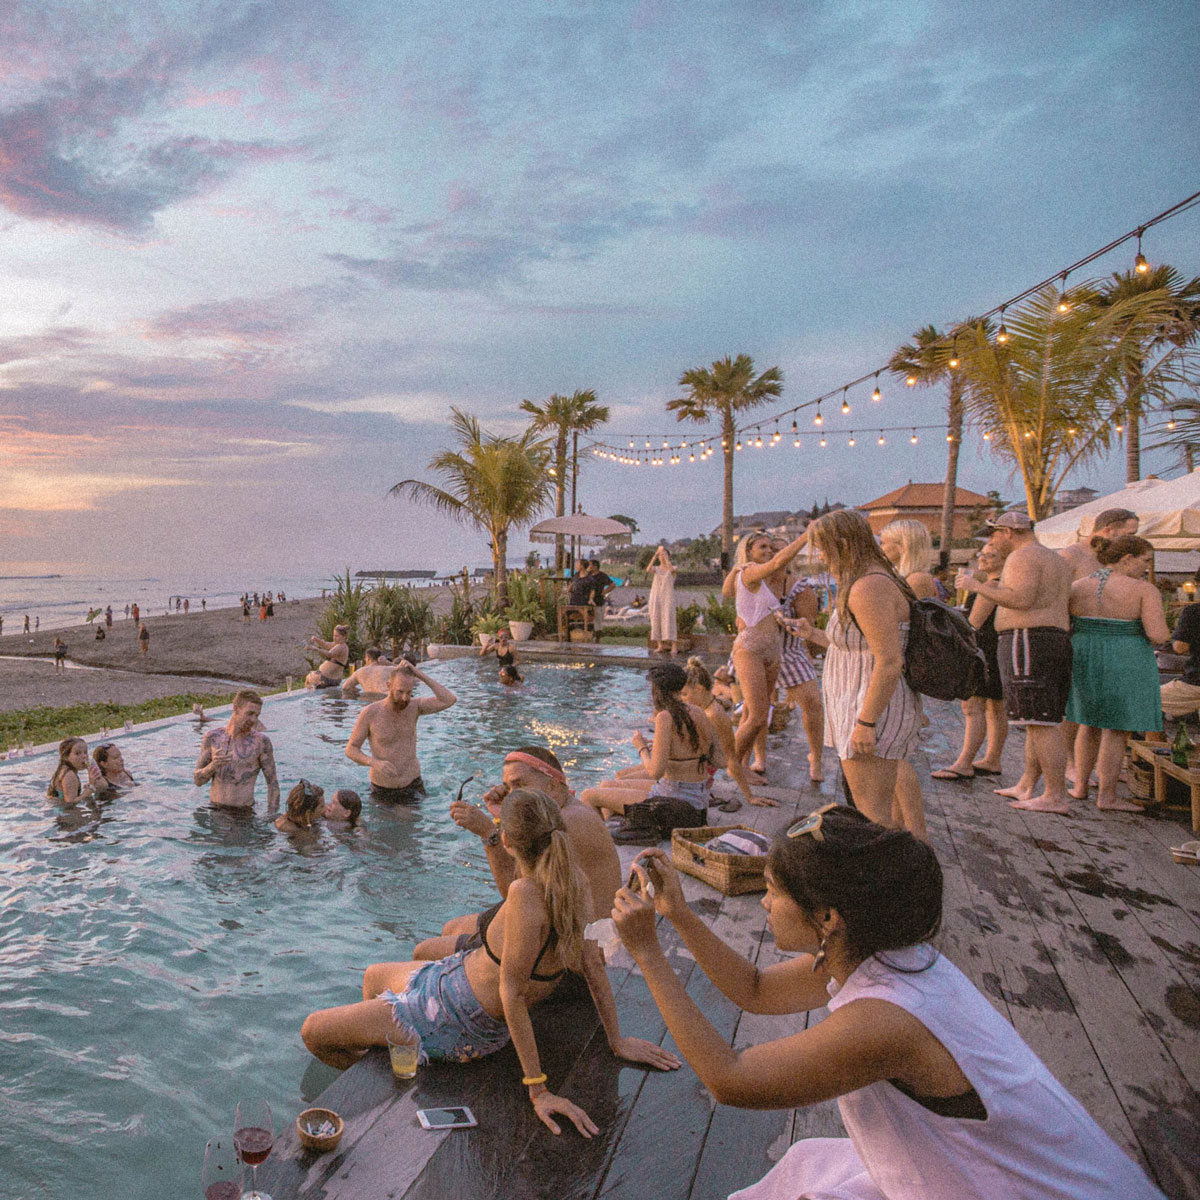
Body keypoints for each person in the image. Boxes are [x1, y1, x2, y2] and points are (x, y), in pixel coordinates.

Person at [610, 806, 1166, 1200]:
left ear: (828, 917)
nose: (765, 904)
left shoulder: (886, 1020)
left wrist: (649, 954)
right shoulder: (880, 952)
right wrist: (677, 914)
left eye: (774, 892)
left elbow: (729, 1080)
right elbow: (754, 990)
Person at [300, 788, 681, 1138]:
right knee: (373, 976)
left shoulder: (525, 894)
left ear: (510, 841)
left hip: (452, 1017)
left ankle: (392, 1070)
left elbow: (511, 994)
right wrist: (616, 1040)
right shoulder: (572, 882)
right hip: (453, 982)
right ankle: (390, 1060)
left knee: (313, 1031)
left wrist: (539, 1091)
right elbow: (594, 966)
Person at [418, 744, 623, 961]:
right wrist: (502, 817)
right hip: (567, 928)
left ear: (553, 786)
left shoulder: (565, 824)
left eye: (521, 785)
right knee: (451, 927)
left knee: (424, 951)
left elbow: (514, 893)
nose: (512, 797)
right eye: (508, 788)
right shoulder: (566, 812)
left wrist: (489, 833)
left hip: (577, 947)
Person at [798, 510, 922, 827]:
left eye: (823, 549)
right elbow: (859, 646)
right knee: (879, 809)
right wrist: (813, 634)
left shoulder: (868, 587)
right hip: (859, 704)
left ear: (841, 544)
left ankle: (880, 874)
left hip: (869, 709)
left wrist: (866, 722)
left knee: (870, 811)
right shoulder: (869, 579)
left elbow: (889, 660)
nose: (822, 558)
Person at [957, 511, 1074, 814]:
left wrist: (977, 586)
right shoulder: (1057, 559)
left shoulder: (1022, 557)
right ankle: (1028, 784)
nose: (993, 542)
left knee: (1039, 721)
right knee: (1038, 719)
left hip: (1027, 638)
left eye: (995, 534)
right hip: (1053, 638)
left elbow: (1021, 599)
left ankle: (1055, 795)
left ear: (1008, 532)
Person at [1065, 535, 1168, 812]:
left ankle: (1079, 786)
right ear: (1126, 559)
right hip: (1126, 656)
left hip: (1083, 653)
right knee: (1117, 727)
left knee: (1088, 723)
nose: (1146, 568)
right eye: (1145, 561)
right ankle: (1107, 796)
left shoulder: (1077, 586)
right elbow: (1157, 634)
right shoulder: (1143, 590)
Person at [579, 662, 719, 822]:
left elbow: (655, 772)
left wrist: (642, 747)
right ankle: (615, 834)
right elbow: (719, 760)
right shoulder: (699, 712)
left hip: (674, 806)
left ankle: (604, 843)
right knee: (605, 786)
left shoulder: (665, 717)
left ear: (657, 690)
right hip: (697, 801)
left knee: (588, 795)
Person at [723, 531, 807, 775]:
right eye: (763, 547)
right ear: (749, 551)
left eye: (771, 547)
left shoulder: (759, 580)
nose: (769, 551)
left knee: (754, 711)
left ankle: (744, 764)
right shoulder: (749, 573)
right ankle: (734, 768)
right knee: (758, 716)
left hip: (772, 651)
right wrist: (805, 537)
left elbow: (740, 598)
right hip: (751, 649)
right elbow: (779, 562)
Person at [879, 519, 939, 840]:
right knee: (893, 755)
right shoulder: (907, 578)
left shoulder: (914, 580)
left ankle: (918, 836)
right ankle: (897, 829)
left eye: (886, 542)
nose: (881, 547)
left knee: (896, 757)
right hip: (900, 671)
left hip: (901, 674)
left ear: (901, 547)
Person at [931, 544, 1010, 781]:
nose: (983, 558)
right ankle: (993, 758)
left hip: (981, 650)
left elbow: (973, 624)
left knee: (972, 707)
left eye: (991, 555)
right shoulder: (1004, 586)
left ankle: (964, 761)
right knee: (996, 707)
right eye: (982, 554)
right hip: (997, 649)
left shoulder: (991, 586)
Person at [345, 663, 457, 804]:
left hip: (413, 784)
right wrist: (373, 762)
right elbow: (351, 749)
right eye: (400, 692)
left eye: (409, 693)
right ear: (388, 685)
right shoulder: (370, 713)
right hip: (383, 788)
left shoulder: (415, 707)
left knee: (412, 823)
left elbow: (449, 699)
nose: (405, 698)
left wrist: (418, 674)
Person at [682, 657, 777, 809]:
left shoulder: (715, 715)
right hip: (688, 769)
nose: (682, 699)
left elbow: (731, 758)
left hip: (695, 776)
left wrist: (750, 797)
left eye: (684, 694)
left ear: (699, 689)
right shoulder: (702, 709)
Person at [193, 689, 280, 814]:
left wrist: (271, 816)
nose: (253, 720)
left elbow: (272, 784)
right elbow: (198, 781)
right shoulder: (212, 738)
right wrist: (213, 765)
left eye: (257, 715)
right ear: (236, 709)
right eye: (249, 713)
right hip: (215, 811)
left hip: (243, 814)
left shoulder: (261, 742)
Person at [777, 572, 826, 784]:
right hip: (759, 650)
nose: (772, 552)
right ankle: (752, 761)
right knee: (755, 713)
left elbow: (809, 624)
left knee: (812, 703)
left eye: (777, 549)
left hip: (789, 651)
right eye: (767, 547)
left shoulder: (799, 588)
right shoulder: (751, 579)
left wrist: (806, 651)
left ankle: (816, 758)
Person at [1059, 507, 1140, 581]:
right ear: (1107, 531)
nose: (1132, 540)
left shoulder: (1120, 558)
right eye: (1130, 534)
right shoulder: (1071, 555)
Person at [1162, 588, 1200, 718]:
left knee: (1147, 700)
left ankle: (1155, 738)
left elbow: (1180, 647)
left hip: (1195, 685)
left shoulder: (1194, 611)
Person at [646, 545, 678, 654]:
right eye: (661, 555)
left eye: (664, 555)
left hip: (667, 596)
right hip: (656, 596)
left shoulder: (673, 568)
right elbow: (648, 569)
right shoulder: (656, 569)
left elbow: (672, 569)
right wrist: (655, 555)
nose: (662, 557)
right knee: (655, 618)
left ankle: (674, 645)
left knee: (669, 618)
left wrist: (666, 558)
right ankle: (660, 645)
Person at [47, 737, 94, 805]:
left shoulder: (63, 769)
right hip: (65, 813)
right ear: (66, 757)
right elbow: (70, 803)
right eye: (77, 753)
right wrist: (88, 791)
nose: (84, 756)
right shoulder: (69, 775)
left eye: (85, 752)